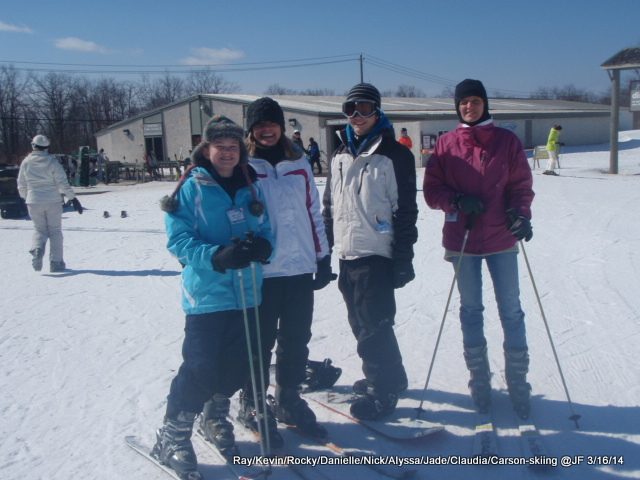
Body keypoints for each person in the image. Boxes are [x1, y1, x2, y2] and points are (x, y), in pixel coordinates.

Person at [153, 115, 273, 479]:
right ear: (206, 149)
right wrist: (217, 257)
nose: (227, 152)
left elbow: (266, 227)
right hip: (207, 294)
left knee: (237, 367)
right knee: (201, 368)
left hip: (247, 293)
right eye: (220, 146)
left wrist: (263, 245)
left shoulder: (250, 184)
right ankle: (171, 437)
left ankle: (214, 418)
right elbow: (179, 239)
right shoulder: (191, 185)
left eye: (233, 146)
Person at [423, 79, 535, 419]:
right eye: (463, 103)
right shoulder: (445, 144)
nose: (469, 107)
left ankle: (518, 380)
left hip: (501, 238)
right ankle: (479, 379)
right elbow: (432, 191)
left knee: (511, 309)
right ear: (457, 107)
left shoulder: (507, 141)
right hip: (464, 240)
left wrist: (520, 214)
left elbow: (520, 185)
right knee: (471, 309)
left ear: (485, 103)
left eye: (474, 101)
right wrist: (456, 200)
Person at [322, 83, 418, 420]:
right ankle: (393, 375)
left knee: (373, 325)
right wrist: (324, 252)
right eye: (351, 109)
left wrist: (403, 258)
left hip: (377, 254)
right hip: (348, 253)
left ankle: (383, 389)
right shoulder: (339, 153)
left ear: (377, 111)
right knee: (360, 322)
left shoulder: (395, 154)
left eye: (364, 109)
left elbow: (405, 211)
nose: (357, 116)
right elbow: (330, 205)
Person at [240, 97, 334, 442]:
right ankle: (252, 401)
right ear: (252, 129)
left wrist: (322, 257)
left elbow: (313, 212)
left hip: (299, 268)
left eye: (272, 124)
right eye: (260, 125)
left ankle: (288, 398)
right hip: (262, 272)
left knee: (296, 340)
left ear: (281, 126)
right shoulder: (244, 164)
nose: (267, 130)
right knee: (259, 343)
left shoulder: (299, 161)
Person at [18, 135, 83, 273]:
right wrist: (73, 198)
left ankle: (37, 249)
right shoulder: (53, 162)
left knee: (39, 229)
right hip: (53, 200)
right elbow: (62, 182)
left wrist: (26, 197)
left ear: (33, 146)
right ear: (47, 147)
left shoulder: (26, 162)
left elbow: (21, 183)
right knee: (54, 231)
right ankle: (56, 262)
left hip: (33, 200)